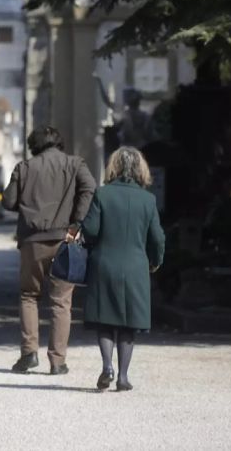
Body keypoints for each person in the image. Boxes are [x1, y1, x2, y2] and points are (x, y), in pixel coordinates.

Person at [2, 126, 96, 375]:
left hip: (32, 241)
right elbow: (90, 188)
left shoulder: (24, 167)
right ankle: (57, 361)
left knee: (29, 296)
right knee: (61, 302)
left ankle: (28, 354)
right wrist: (76, 223)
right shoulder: (76, 164)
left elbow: (9, 201)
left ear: (34, 144)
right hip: (64, 239)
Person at [81, 146, 165, 391]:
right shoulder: (148, 200)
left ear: (113, 167)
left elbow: (91, 230)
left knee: (105, 319)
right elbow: (157, 238)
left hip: (104, 262)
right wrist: (156, 260)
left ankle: (107, 365)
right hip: (136, 266)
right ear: (140, 169)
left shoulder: (102, 195)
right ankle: (123, 376)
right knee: (129, 323)